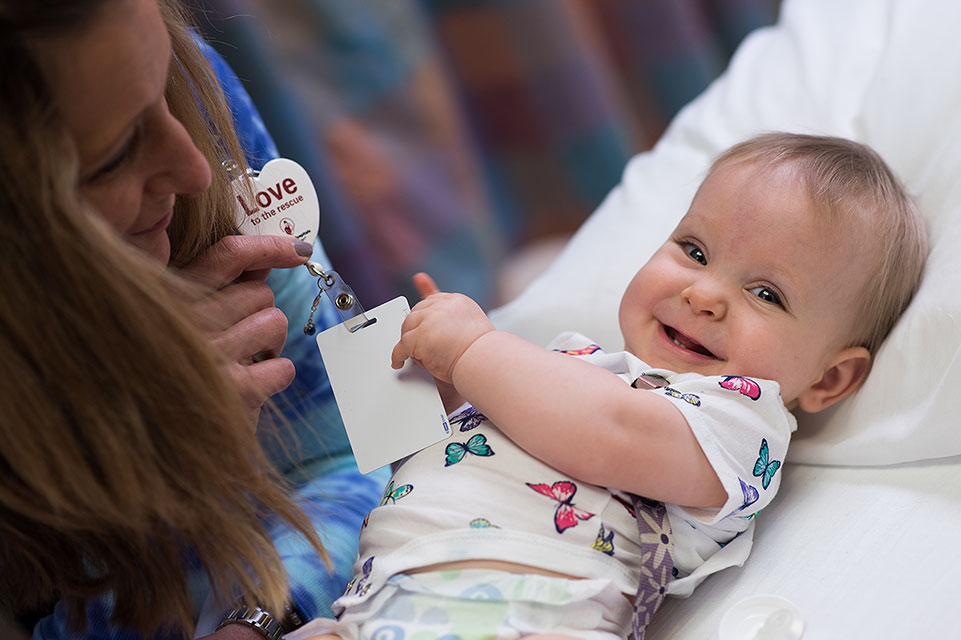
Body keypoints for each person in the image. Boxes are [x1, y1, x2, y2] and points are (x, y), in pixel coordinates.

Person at [290, 133, 928, 639]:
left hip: (534, 613)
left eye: (766, 293)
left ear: (829, 378)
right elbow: (485, 445)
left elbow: (613, 431)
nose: (703, 294)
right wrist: (445, 391)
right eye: (695, 251)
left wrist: (475, 351)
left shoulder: (739, 425)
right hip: (371, 603)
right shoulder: (576, 361)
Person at [0, 0, 388, 638]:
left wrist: (257, 616)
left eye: (165, 88)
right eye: (113, 157)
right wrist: (142, 465)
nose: (194, 168)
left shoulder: (187, 91)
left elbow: (368, 449)